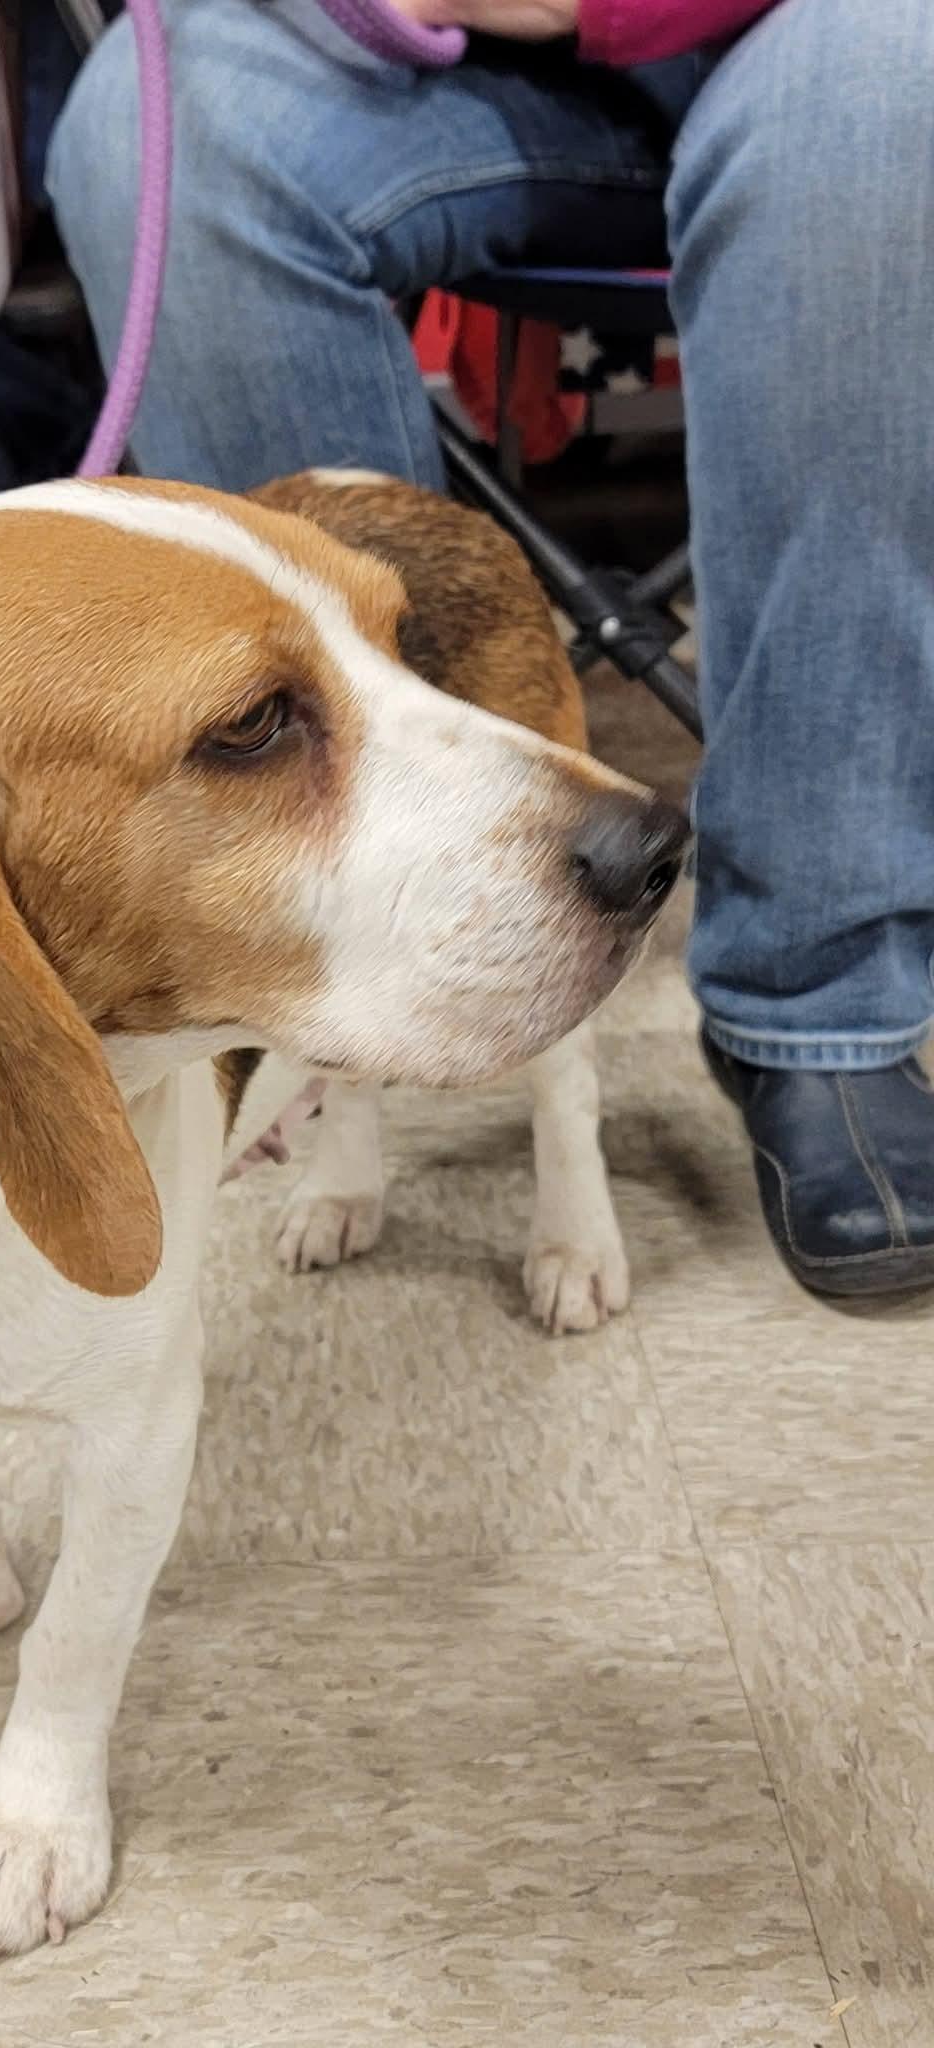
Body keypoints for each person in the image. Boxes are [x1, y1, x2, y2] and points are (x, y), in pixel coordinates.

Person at [48, 0, 934, 1302]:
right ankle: (329, 967)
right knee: (139, 112)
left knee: (890, 68)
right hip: (431, 58)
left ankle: (820, 1006)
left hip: (794, 29)